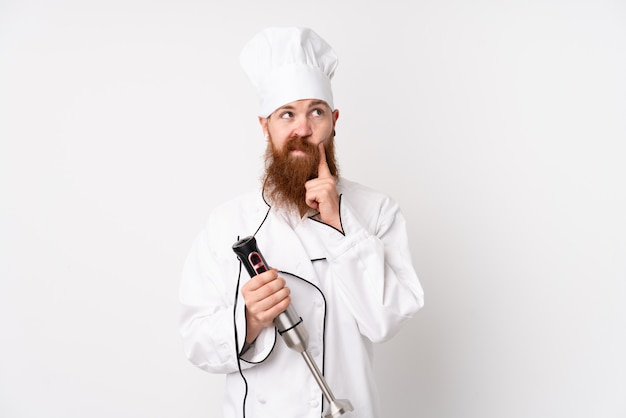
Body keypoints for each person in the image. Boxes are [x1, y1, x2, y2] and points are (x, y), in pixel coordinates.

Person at [179, 27, 424, 418]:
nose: (303, 129)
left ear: (334, 120)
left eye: (316, 111)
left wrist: (340, 225)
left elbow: (386, 321)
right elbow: (196, 343)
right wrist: (249, 320)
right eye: (286, 114)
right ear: (266, 127)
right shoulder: (227, 223)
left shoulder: (376, 211)